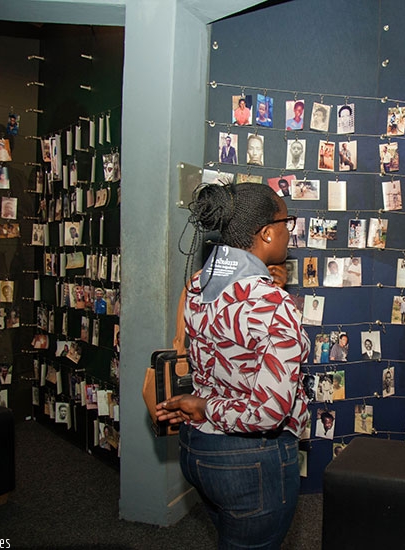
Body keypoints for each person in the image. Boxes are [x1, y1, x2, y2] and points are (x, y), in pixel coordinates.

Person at [155, 182, 308, 549]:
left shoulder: (196, 285)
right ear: (268, 232)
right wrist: (205, 405)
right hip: (250, 461)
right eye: (289, 222)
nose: (291, 231)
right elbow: (270, 412)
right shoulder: (274, 306)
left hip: (197, 452)